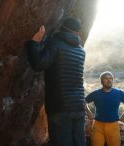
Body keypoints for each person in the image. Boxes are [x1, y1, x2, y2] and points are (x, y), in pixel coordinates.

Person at [26, 17, 86, 146]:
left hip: (60, 106)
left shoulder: (56, 43)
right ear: (77, 32)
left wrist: (34, 43)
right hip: (79, 106)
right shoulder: (81, 51)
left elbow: (39, 64)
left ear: (63, 28)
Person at [85, 71, 124, 146]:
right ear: (101, 81)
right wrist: (88, 112)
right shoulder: (96, 93)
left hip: (113, 126)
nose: (109, 80)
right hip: (98, 126)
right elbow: (83, 102)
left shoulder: (118, 93)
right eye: (106, 78)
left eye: (111, 78)